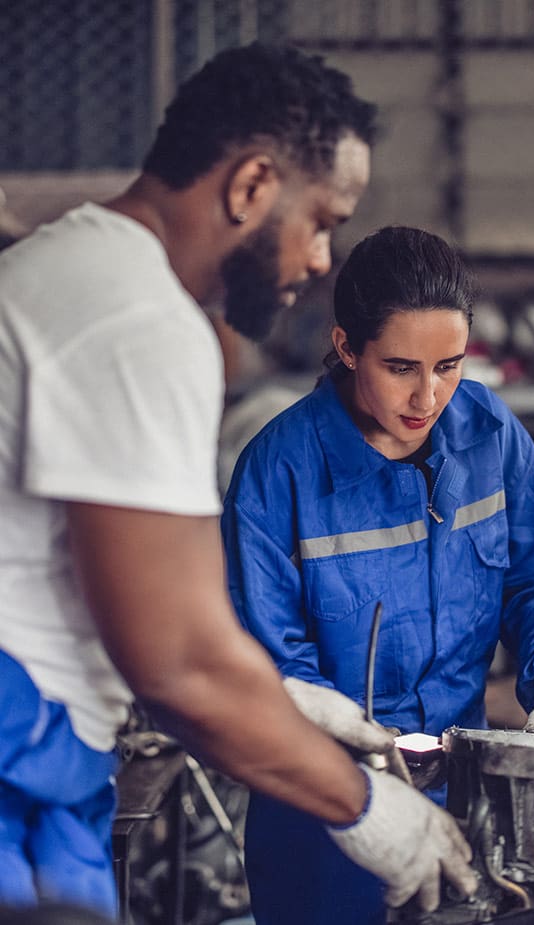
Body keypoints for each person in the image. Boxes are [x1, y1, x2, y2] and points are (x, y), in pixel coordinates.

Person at [0, 42, 476, 917]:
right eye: (323, 219)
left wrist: (280, 697)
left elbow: (129, 597)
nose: (325, 258)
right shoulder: (137, 319)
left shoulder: (68, 267)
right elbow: (178, 660)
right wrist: (366, 805)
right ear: (252, 186)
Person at [222, 225, 534, 925]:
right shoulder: (279, 470)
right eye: (401, 367)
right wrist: (355, 783)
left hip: (468, 805)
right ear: (348, 346)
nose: (429, 395)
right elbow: (272, 667)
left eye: (449, 364)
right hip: (326, 814)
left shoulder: (491, 434)